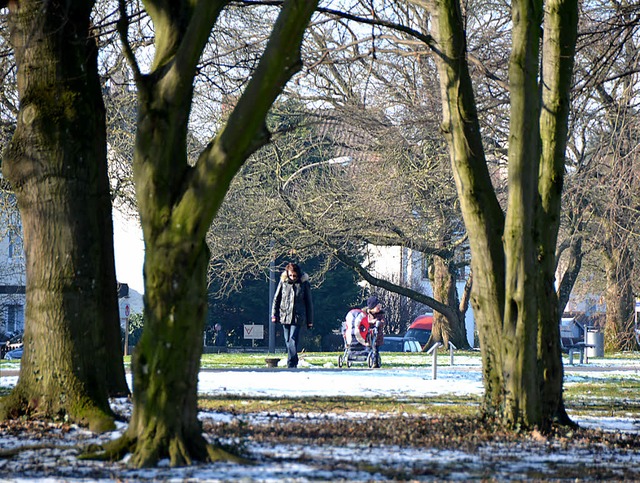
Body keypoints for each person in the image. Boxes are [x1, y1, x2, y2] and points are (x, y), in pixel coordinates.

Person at [271, 262, 314, 368]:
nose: (292, 277)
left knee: (292, 339)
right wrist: (274, 314)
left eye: (294, 275)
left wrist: (310, 321)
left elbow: (309, 303)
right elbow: (277, 299)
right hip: (284, 315)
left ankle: (291, 363)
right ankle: (293, 361)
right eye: (291, 275)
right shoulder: (283, 282)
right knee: (287, 340)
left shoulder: (304, 284)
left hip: (297, 317)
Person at [364, 295, 385, 367]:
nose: (379, 308)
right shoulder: (366, 314)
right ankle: (370, 359)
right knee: (368, 348)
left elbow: (382, 322)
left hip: (377, 336)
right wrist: (370, 322)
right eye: (377, 306)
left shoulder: (380, 314)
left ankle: (375, 362)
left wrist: (378, 322)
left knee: (375, 349)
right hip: (367, 335)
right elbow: (364, 321)